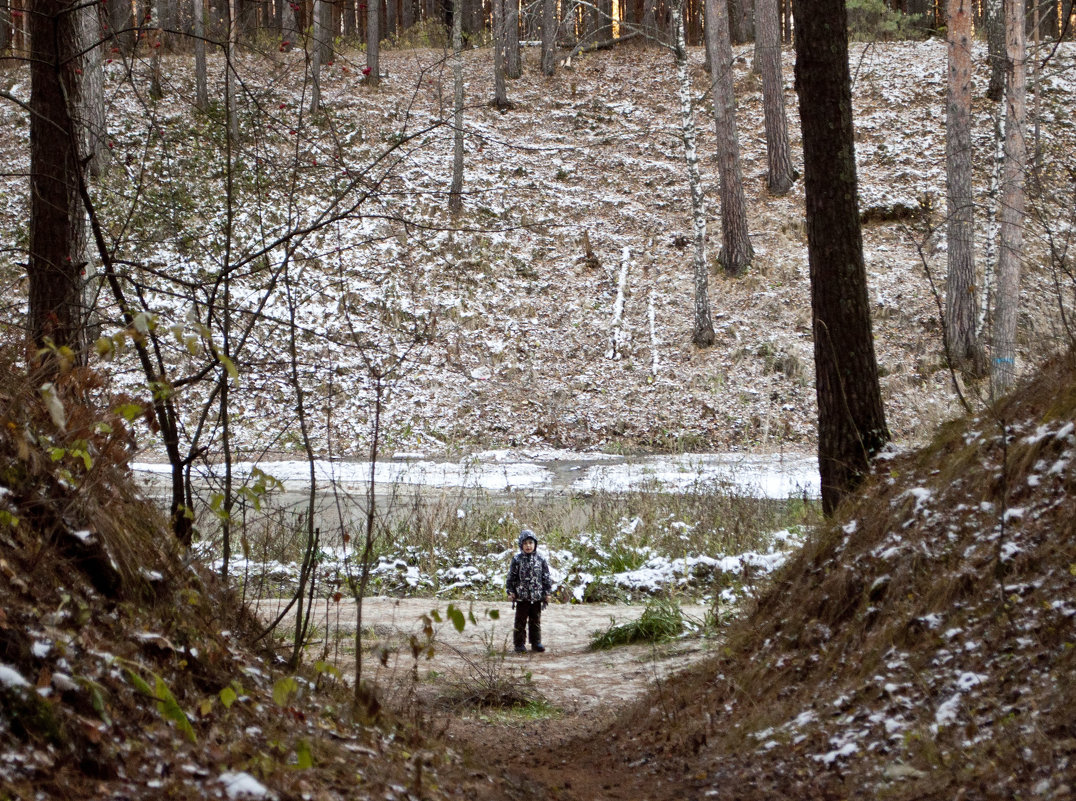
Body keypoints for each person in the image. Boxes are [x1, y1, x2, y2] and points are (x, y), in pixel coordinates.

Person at [505, 529, 552, 654]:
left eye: (531, 543)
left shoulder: (541, 559)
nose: (528, 546)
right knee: (520, 621)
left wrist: (547, 592)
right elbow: (511, 577)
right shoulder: (517, 559)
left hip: (536, 597)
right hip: (522, 597)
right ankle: (519, 644)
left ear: (535, 544)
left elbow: (546, 577)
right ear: (521, 545)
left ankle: (536, 643)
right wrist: (510, 591)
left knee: (535, 621)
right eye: (525, 543)